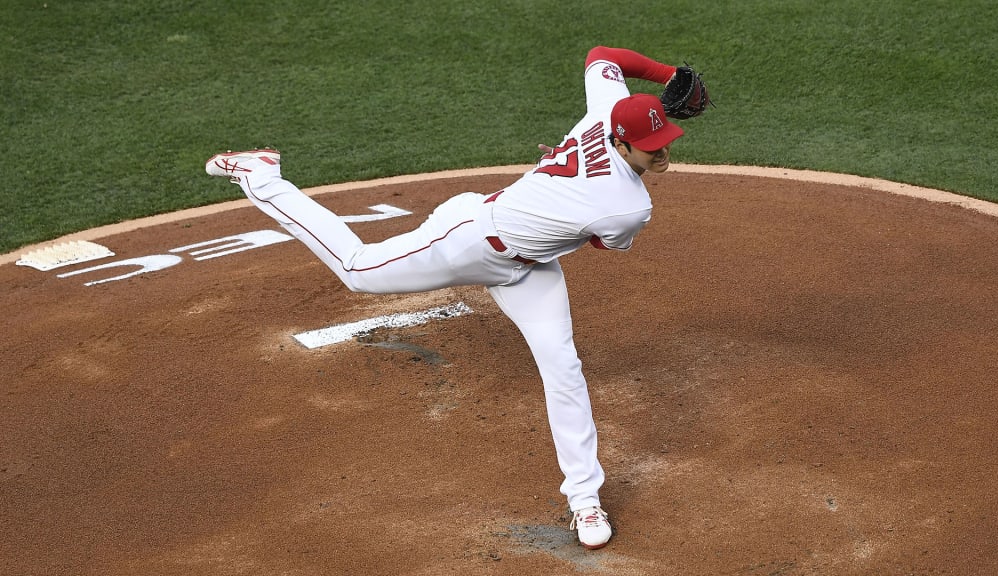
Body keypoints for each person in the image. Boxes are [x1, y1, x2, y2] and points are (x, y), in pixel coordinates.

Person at [206, 45, 707, 550]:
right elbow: (601, 240)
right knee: (357, 270)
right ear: (620, 142)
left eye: (664, 140)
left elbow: (601, 57)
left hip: (529, 270)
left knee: (564, 368)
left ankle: (585, 501)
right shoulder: (628, 208)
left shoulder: (607, 111)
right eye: (651, 146)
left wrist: (666, 76)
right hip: (467, 241)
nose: (662, 152)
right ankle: (261, 175)